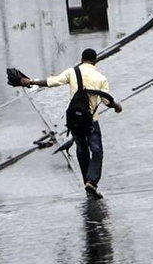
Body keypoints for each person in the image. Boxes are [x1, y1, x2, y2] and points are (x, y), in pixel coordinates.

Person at [21, 48, 122, 198]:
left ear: (81, 59)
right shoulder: (101, 78)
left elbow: (52, 82)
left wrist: (31, 81)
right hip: (91, 121)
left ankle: (86, 182)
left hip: (74, 120)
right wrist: (116, 106)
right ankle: (92, 182)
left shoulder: (72, 72)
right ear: (95, 61)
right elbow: (107, 101)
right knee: (97, 151)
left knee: (82, 149)